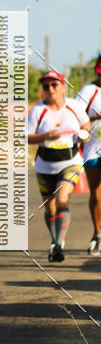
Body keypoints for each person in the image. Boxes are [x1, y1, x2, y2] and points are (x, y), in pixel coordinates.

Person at [27, 69, 90, 262]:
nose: (50, 89)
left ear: (63, 86)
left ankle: (59, 243)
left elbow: (86, 125)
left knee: (63, 198)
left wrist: (83, 135)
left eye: (54, 84)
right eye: (46, 86)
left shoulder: (74, 106)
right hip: (45, 164)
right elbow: (27, 137)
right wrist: (45, 136)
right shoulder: (39, 110)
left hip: (70, 162)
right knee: (50, 208)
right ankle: (54, 241)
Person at [76, 55, 101, 254]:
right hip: (93, 146)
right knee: (96, 193)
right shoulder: (88, 90)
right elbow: (76, 114)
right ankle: (97, 234)